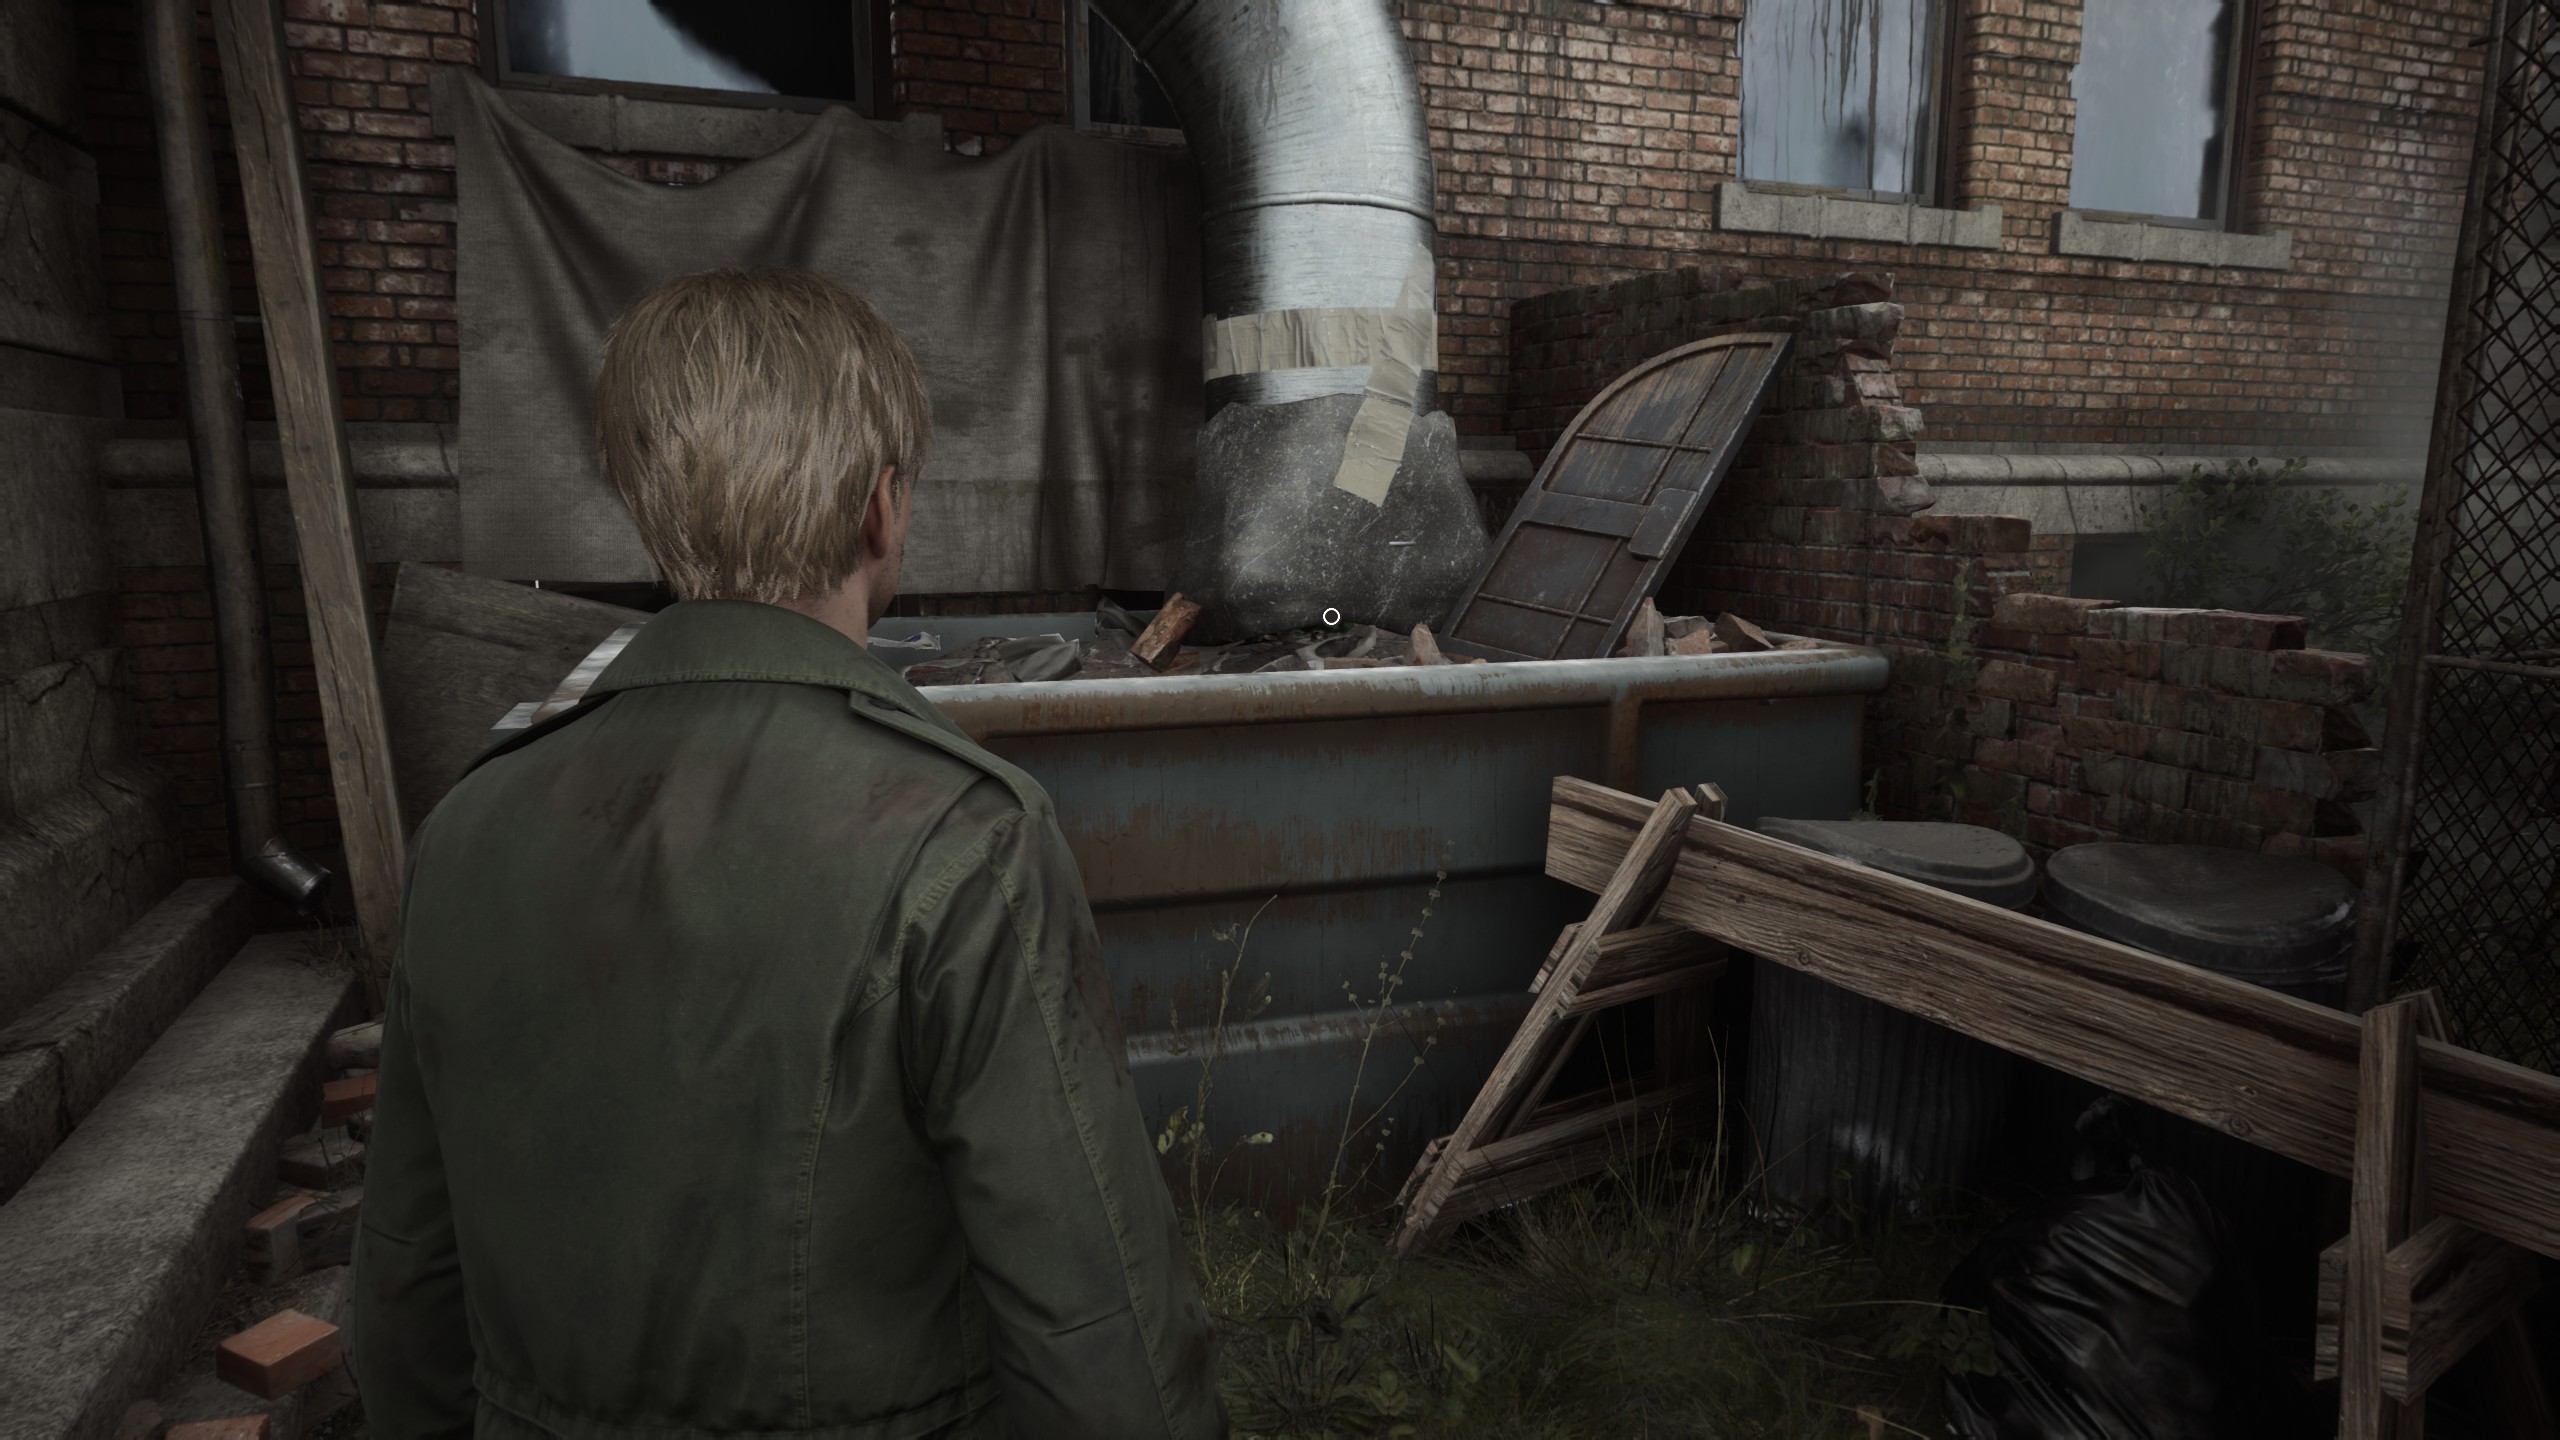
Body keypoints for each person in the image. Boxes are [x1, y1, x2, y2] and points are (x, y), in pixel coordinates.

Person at [351, 268, 1225, 1439]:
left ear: (650, 504)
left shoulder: (467, 828)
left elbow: (405, 1298)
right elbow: (1096, 1335)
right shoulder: (963, 835)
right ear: (882, 510)